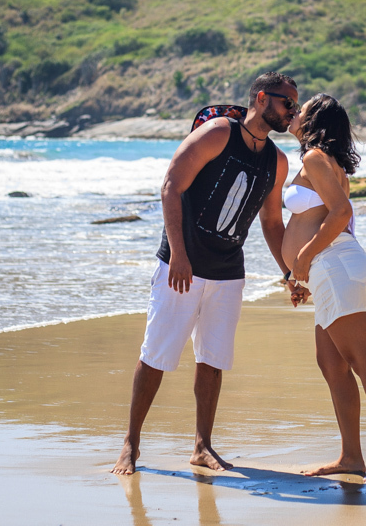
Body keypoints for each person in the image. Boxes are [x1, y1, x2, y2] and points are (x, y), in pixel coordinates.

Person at [111, 72, 297, 475]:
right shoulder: (217, 133)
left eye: (295, 107)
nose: (292, 113)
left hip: (229, 271)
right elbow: (171, 186)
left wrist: (289, 272)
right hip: (183, 266)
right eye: (287, 104)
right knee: (156, 353)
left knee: (212, 359)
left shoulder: (277, 162)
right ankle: (130, 444)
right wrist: (178, 253)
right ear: (262, 98)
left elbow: (271, 222)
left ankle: (202, 446)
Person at [284, 93, 366, 484]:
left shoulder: (314, 157)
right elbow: (327, 215)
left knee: (361, 356)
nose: (294, 113)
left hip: (334, 264)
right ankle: (352, 456)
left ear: (314, 121)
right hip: (331, 268)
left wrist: (302, 260)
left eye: (301, 110)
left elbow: (342, 214)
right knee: (332, 363)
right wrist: (304, 275)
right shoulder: (326, 161)